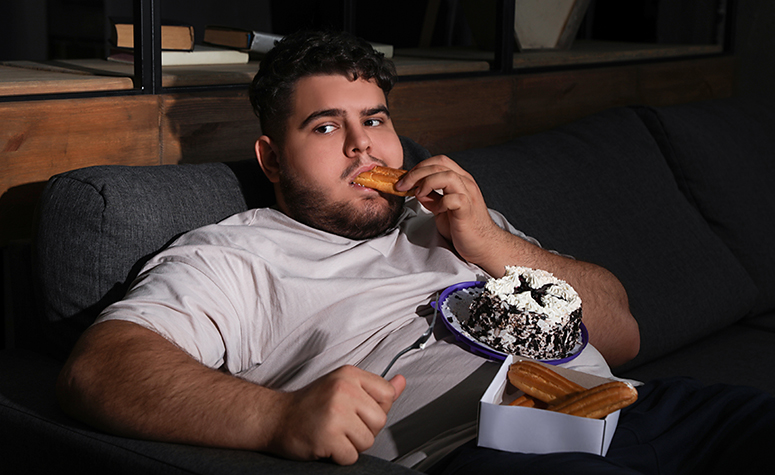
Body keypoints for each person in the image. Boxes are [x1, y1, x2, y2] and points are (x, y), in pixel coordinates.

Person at [56, 30, 771, 474]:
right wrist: (275, 419)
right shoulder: (238, 257)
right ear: (271, 158)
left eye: (373, 119)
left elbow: (619, 327)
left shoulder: (453, 220)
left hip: (632, 406)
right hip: (491, 448)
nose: (364, 143)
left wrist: (487, 240)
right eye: (327, 127)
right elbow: (102, 367)